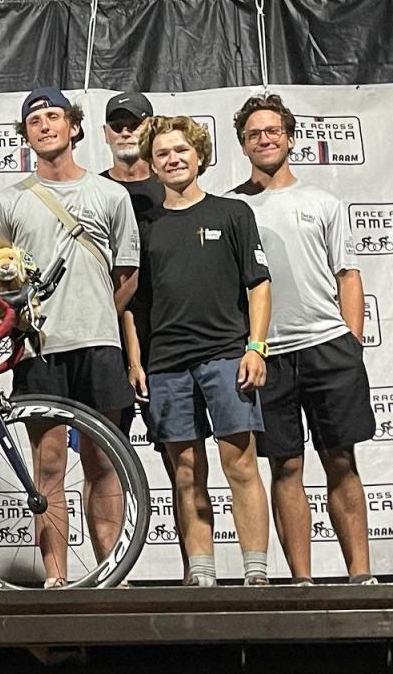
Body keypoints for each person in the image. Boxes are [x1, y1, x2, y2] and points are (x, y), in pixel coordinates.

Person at [0, 86, 139, 587]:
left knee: (103, 462)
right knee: (48, 466)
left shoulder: (110, 194)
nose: (45, 125)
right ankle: (56, 577)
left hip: (99, 345)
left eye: (54, 116)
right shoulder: (8, 201)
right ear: (25, 135)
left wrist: (96, 314)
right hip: (38, 349)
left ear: (73, 127)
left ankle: (110, 573)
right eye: (34, 120)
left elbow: (128, 273)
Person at [227, 93, 377, 585]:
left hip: (329, 347)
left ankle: (362, 578)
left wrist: (351, 343)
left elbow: (347, 275)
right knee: (285, 466)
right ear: (243, 145)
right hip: (267, 355)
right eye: (254, 134)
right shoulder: (231, 208)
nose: (264, 139)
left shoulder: (323, 202)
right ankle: (302, 583)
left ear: (290, 138)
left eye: (273, 131)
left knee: (340, 458)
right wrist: (252, 345)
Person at [133, 115, 271, 586]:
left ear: (199, 156)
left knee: (240, 462)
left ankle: (255, 572)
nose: (173, 159)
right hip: (167, 363)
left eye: (180, 151)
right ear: (152, 165)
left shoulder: (233, 214)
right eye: (162, 154)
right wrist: (136, 360)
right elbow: (136, 305)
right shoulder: (145, 227)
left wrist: (256, 346)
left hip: (227, 355)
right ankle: (203, 572)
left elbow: (259, 285)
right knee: (186, 470)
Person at [101, 91, 189, 584]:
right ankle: (114, 580)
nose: (126, 131)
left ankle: (191, 571)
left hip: (168, 343)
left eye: (135, 123)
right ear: (104, 134)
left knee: (182, 461)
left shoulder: (177, 188)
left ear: (151, 128)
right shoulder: (92, 189)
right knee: (105, 456)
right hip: (104, 343)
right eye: (117, 124)